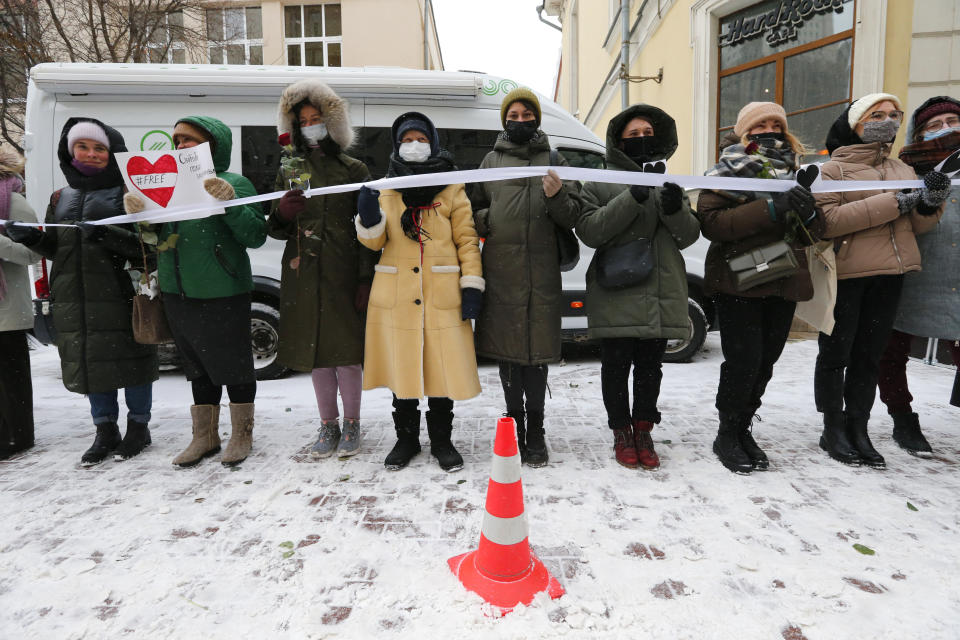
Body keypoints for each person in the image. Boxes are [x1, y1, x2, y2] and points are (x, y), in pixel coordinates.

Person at [6, 118, 158, 466]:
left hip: (120, 295)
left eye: (99, 148)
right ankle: (105, 430)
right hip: (75, 298)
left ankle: (139, 428)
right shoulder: (61, 197)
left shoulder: (129, 193)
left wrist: (108, 236)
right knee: (92, 366)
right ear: (70, 151)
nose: (90, 154)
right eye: (83, 147)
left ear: (112, 153)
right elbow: (57, 248)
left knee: (133, 363)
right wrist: (30, 237)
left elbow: (148, 248)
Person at [814, 93, 949, 468]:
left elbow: (916, 226)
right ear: (855, 124)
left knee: (869, 357)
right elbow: (828, 223)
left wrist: (928, 204)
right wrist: (894, 203)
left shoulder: (901, 169)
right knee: (836, 355)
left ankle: (859, 427)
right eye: (877, 114)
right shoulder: (832, 171)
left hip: (892, 275)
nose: (887, 121)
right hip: (847, 276)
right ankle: (832, 429)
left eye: (893, 115)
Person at [123, 116, 267, 467]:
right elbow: (152, 238)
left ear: (212, 145)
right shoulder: (168, 183)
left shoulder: (235, 182)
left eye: (190, 139)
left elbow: (255, 235)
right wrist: (142, 216)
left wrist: (229, 203)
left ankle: (242, 435)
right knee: (197, 368)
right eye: (177, 140)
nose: (181, 145)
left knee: (233, 366)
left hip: (223, 289)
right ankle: (204, 436)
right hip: (178, 291)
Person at [355, 111, 483, 472]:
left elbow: (467, 240)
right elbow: (374, 242)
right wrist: (368, 218)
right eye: (408, 140)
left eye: (421, 139)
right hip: (396, 294)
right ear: (397, 145)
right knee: (404, 370)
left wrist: (471, 284)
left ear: (434, 143)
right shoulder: (385, 187)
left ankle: (442, 441)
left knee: (441, 371)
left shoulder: (452, 187)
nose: (415, 146)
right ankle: (406, 439)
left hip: (442, 292)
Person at [698, 102, 823, 473]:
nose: (768, 130)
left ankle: (744, 427)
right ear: (743, 132)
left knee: (766, 362)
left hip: (782, 280)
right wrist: (771, 208)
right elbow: (713, 224)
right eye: (759, 125)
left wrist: (810, 212)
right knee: (743, 362)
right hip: (739, 281)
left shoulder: (798, 174)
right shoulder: (725, 172)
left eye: (776, 124)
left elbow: (816, 233)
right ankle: (727, 433)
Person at [575, 104, 700, 470]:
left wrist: (675, 207)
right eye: (633, 135)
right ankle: (621, 432)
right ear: (618, 142)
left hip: (661, 290)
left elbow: (688, 236)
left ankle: (643, 429)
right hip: (617, 289)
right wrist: (633, 196)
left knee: (650, 367)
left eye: (648, 134)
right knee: (615, 366)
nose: (642, 140)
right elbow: (591, 230)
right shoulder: (597, 181)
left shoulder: (671, 182)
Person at [470, 88, 582, 467]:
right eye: (513, 115)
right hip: (501, 270)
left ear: (537, 118)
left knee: (536, 354)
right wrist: (491, 221)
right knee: (508, 353)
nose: (520, 121)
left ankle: (536, 428)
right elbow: (472, 207)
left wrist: (557, 196)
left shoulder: (554, 159)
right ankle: (512, 421)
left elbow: (574, 216)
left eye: (527, 115)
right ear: (504, 120)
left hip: (541, 271)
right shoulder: (490, 161)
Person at [269, 79, 379, 460]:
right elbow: (275, 227)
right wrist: (282, 213)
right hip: (302, 273)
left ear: (333, 123)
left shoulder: (354, 168)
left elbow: (367, 229)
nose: (310, 125)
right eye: (303, 120)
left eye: (317, 118)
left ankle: (352, 423)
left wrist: (365, 277)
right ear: (294, 127)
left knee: (345, 353)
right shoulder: (290, 167)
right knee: (315, 353)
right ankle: (327, 423)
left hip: (344, 271)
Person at [877, 96, 960, 456]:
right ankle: (902, 417)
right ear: (919, 132)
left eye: (952, 121)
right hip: (914, 274)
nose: (946, 128)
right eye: (935, 124)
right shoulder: (905, 170)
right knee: (891, 352)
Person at [0, 149, 40, 460]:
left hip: (6, 307)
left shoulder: (13, 201)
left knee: (11, 379)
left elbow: (32, 253)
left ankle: (18, 437)